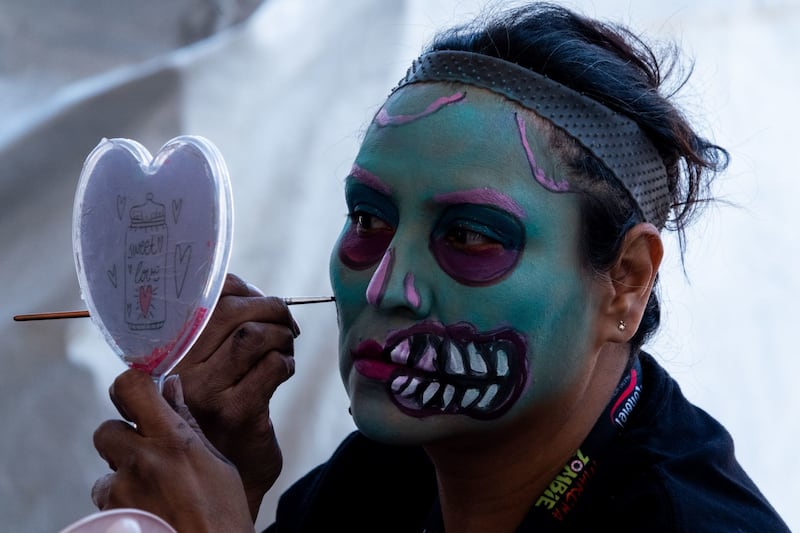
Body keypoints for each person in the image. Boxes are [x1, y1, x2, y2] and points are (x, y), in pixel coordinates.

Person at [89, 3, 790, 531]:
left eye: (471, 237)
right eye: (368, 220)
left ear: (626, 280)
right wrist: (230, 482)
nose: (385, 285)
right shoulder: (384, 476)